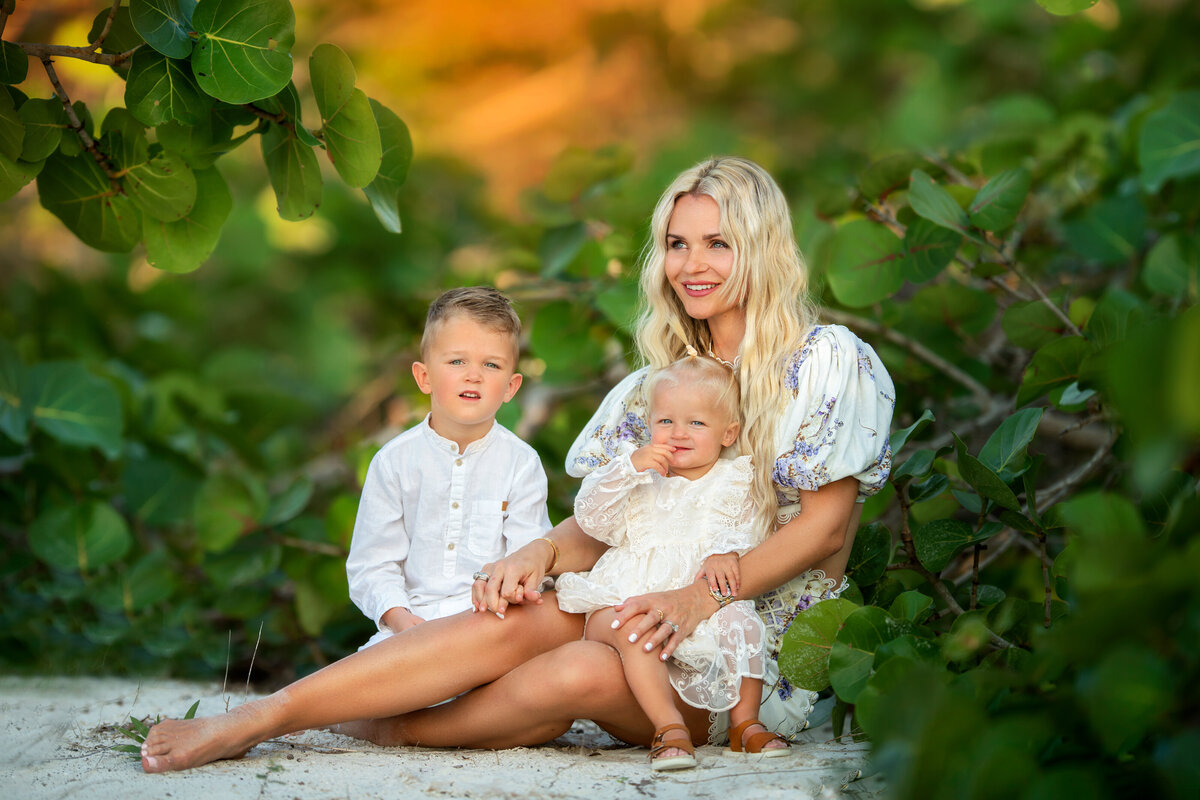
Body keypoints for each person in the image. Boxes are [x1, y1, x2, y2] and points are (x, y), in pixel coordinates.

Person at [140, 156, 894, 773]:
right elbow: (609, 525)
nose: (691, 265)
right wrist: (539, 551)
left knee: (577, 674)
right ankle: (263, 717)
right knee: (527, 606)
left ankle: (386, 730)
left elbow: (824, 532)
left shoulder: (824, 363)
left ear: (761, 246)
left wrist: (696, 599)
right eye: (676, 243)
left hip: (744, 649)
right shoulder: (662, 382)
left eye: (717, 243)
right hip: (635, 608)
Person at [556, 351, 787, 770]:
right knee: (635, 628)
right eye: (666, 422)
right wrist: (627, 468)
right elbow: (591, 517)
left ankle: (746, 724)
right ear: (650, 426)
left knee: (741, 620)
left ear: (728, 432)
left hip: (698, 603)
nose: (678, 433)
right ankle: (669, 727)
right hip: (633, 596)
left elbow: (755, 526)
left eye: (696, 423)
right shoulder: (642, 481)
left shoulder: (735, 479)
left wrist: (727, 552)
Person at [346, 286, 552, 650]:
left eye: (491, 364)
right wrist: (400, 618)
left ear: (511, 386)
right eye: (457, 361)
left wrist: (508, 590)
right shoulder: (394, 461)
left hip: (491, 621)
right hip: (411, 622)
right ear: (424, 377)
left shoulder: (521, 464)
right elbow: (372, 563)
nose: (473, 375)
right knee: (371, 682)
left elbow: (527, 554)